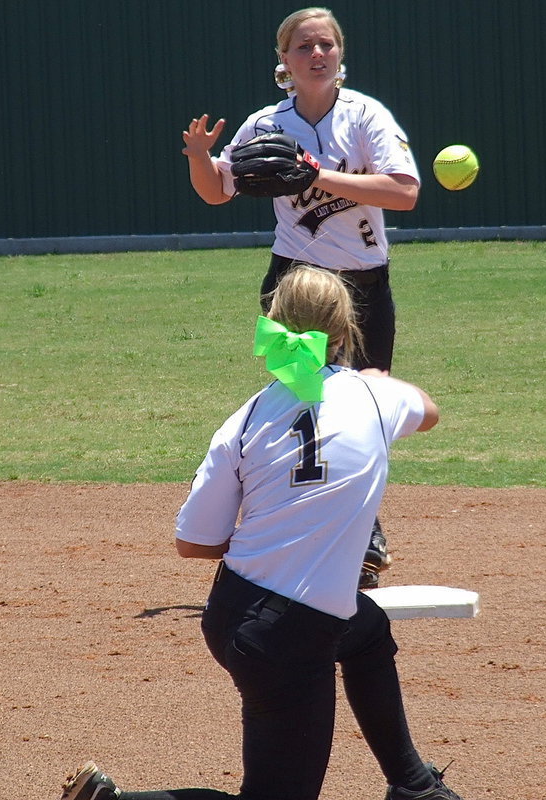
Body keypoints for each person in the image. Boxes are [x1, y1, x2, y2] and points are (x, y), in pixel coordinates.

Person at [58, 265, 466, 800]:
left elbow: (193, 543)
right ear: (344, 333)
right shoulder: (376, 398)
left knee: (364, 629)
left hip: (236, 614)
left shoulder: (244, 420)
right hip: (289, 641)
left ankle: (414, 786)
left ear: (272, 325)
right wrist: (379, 379)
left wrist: (277, 533)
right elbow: (430, 413)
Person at [182, 6, 422, 588]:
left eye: (326, 45)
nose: (317, 54)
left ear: (340, 55)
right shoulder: (265, 123)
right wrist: (198, 157)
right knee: (301, 403)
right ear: (284, 62)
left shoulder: (366, 116)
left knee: (368, 404)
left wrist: (312, 174)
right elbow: (218, 190)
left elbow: (404, 192)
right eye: (304, 47)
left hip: (362, 284)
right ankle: (293, 524)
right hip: (293, 284)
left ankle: (362, 530)